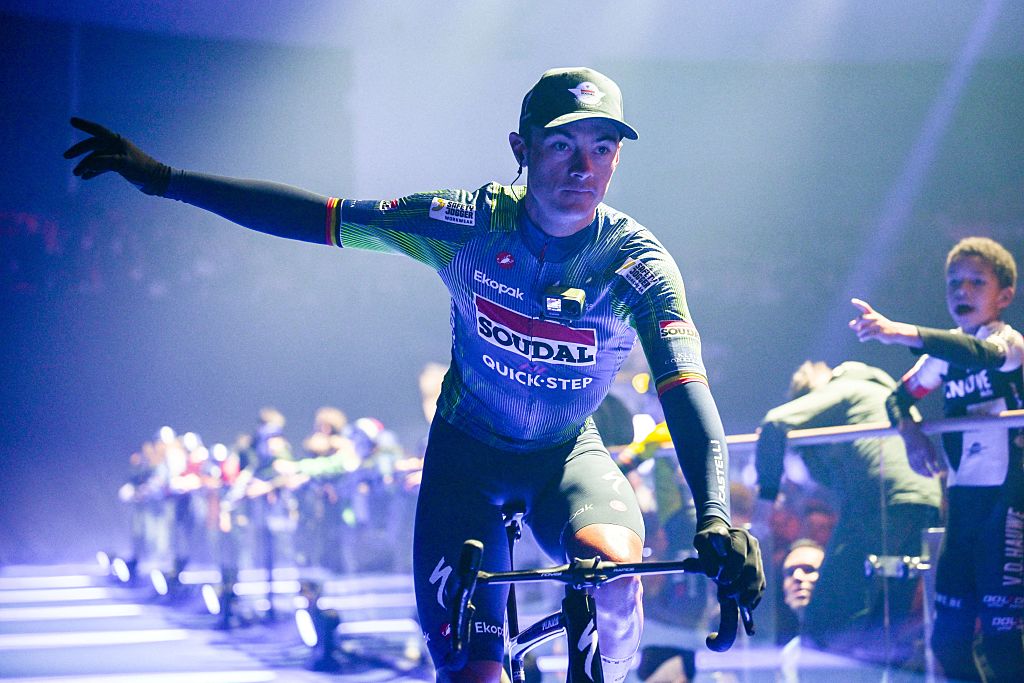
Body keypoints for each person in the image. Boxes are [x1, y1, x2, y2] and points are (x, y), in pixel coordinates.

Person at [64, 66, 764, 683]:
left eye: (602, 148)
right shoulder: (465, 224)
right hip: (466, 463)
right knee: (471, 674)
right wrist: (165, 181)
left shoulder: (636, 262)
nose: (584, 167)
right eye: (562, 145)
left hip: (564, 459)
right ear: (520, 149)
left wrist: (717, 518)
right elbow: (321, 216)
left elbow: (687, 396)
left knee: (611, 582)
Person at [850, 236, 1024, 681]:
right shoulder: (942, 358)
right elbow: (896, 399)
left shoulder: (1009, 344)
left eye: (975, 282)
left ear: (1004, 296)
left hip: (1010, 503)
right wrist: (912, 435)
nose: (961, 291)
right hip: (964, 504)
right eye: (953, 284)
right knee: (947, 638)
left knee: (1005, 641)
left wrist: (899, 332)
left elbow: (979, 354)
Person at [753, 360, 942, 660]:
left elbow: (774, 422)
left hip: (880, 501)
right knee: (885, 624)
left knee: (821, 620)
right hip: (925, 500)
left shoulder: (842, 390)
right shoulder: (879, 394)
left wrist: (766, 499)